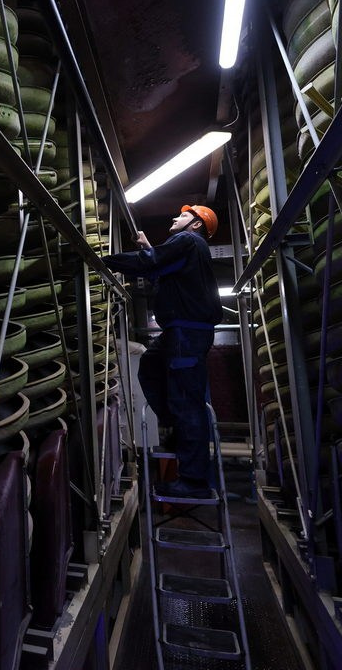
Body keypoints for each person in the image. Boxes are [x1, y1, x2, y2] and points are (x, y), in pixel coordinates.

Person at [102, 204, 222, 498]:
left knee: (187, 401)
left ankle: (194, 482)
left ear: (195, 225)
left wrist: (106, 260)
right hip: (179, 331)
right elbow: (161, 268)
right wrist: (148, 251)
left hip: (187, 332)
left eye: (182, 215)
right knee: (151, 365)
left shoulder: (188, 241)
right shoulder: (188, 250)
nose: (174, 216)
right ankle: (178, 429)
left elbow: (151, 261)